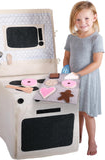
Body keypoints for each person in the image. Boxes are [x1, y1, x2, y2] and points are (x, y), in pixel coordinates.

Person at [63, 1, 104, 156]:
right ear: (74, 20)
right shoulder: (71, 37)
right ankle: (77, 136)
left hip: (88, 81)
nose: (82, 23)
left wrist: (78, 74)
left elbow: (97, 62)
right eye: (78, 19)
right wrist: (66, 68)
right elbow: (66, 56)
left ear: (94, 17)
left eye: (86, 18)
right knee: (76, 110)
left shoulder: (96, 38)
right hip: (72, 80)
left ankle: (92, 141)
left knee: (88, 113)